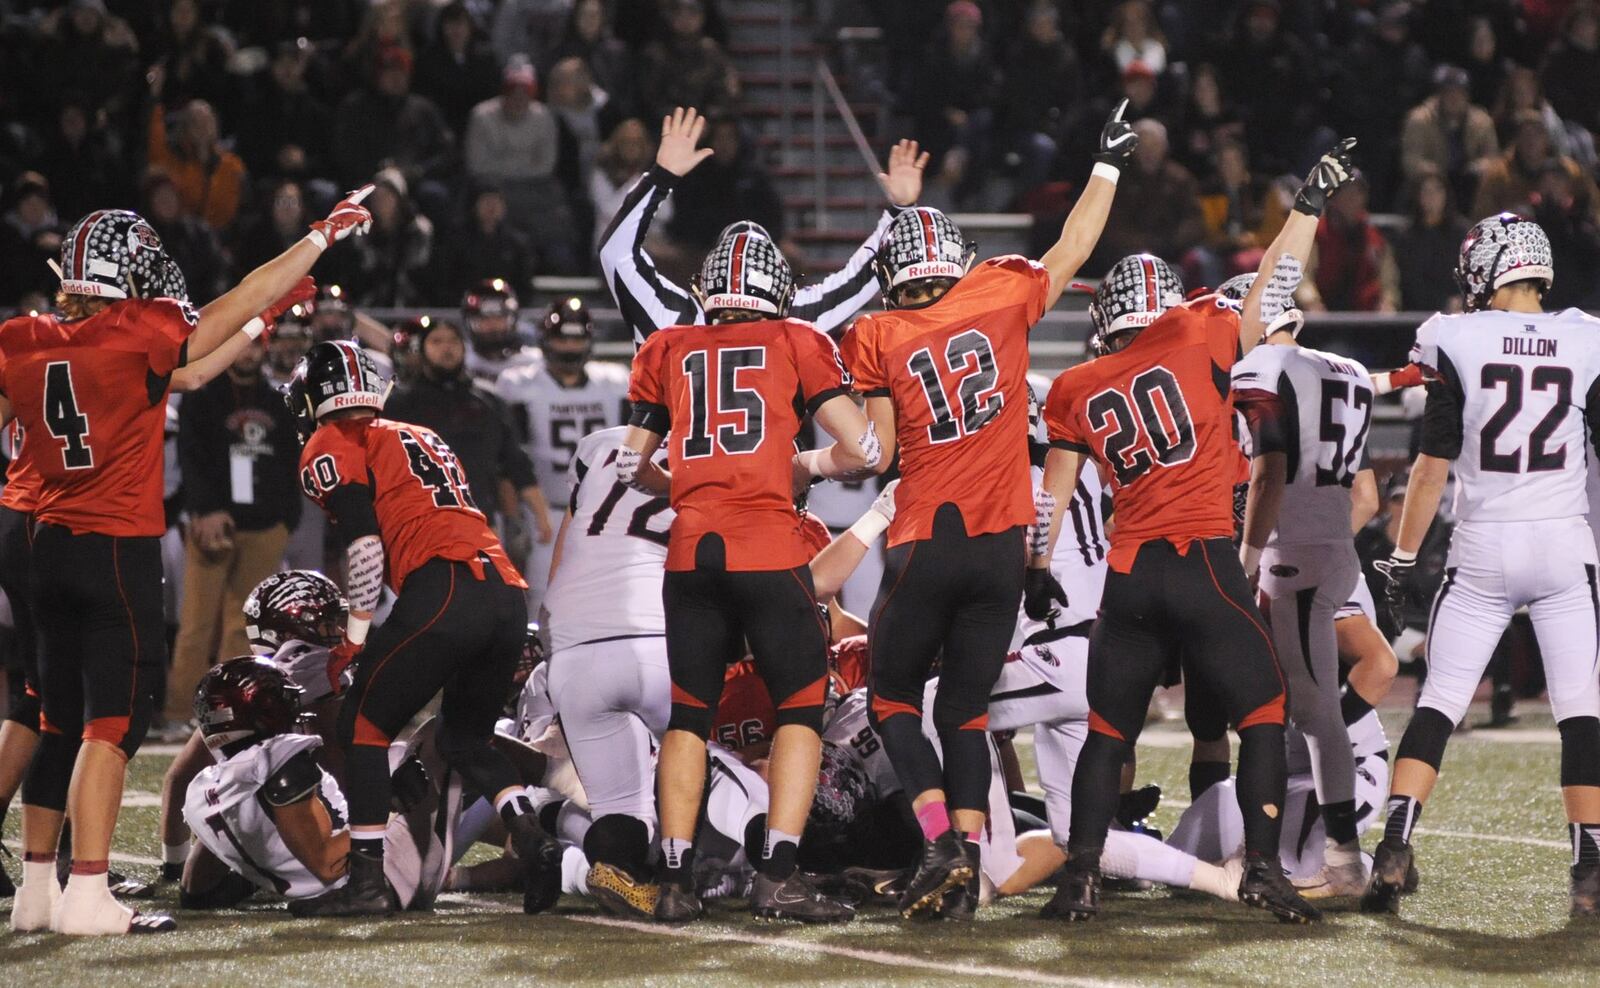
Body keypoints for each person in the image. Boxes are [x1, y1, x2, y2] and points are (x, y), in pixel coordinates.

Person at [1, 187, 374, 936]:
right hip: (112, 545)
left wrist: (264, 317)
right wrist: (318, 239)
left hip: (40, 541)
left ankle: (38, 892)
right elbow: (234, 300)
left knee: (54, 716)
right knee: (110, 726)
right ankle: (88, 893)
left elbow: (194, 372)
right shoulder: (142, 331)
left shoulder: (20, 338)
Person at [1031, 139, 1359, 925]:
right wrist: (1305, 207)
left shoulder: (1077, 385)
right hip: (1205, 560)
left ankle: (1079, 875)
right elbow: (1275, 282)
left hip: (1130, 574)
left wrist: (1039, 563)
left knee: (1107, 731)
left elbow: (1056, 492)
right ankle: (1266, 871)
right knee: (1263, 712)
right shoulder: (1203, 331)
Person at [836, 102, 1131, 919]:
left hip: (929, 534)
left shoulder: (880, 331)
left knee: (894, 695)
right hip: (1005, 545)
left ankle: (937, 841)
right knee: (965, 708)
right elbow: (1074, 247)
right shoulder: (1000, 293)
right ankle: (966, 865)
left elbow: (882, 451)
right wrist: (1105, 165)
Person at [621, 226, 879, 923]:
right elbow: (864, 449)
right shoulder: (796, 339)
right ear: (776, 291)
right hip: (768, 545)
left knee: (688, 716)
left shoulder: (667, 346)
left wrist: (690, 487)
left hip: (690, 552)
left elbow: (629, 465)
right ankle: (777, 877)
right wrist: (803, 466)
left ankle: (673, 880)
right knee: (799, 709)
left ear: (710, 292)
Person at [1367, 213, 1600, 917]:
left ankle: (1395, 845)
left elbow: (1431, 467)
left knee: (1438, 700)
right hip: (1563, 545)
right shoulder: (1587, 336)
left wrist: (1402, 557)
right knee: (1581, 710)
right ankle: (1590, 865)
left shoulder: (1454, 337)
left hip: (1484, 547)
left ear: (1487, 266)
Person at [286, 339, 561, 916]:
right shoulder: (420, 434)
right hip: (506, 591)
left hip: (446, 588)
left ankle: (364, 883)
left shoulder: (335, 438)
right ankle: (531, 836)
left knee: (364, 724)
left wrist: (353, 637)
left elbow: (363, 546)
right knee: (465, 738)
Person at [1232, 275, 1376, 898]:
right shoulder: (1348, 366)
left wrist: (1247, 556)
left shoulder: (1263, 365)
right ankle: (1312, 847)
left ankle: (1343, 858)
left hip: (1294, 553)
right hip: (1335, 544)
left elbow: (1268, 475)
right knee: (1304, 709)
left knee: (1314, 714)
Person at [598, 107, 925, 347]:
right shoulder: (793, 322)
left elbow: (615, 252)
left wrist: (660, 178)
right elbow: (861, 277)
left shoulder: (675, 319)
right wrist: (897, 212)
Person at [542, 426, 673, 917]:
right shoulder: (717, 443)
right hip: (654, 633)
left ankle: (617, 865)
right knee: (711, 764)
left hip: (572, 639)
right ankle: (703, 872)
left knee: (623, 808)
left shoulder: (601, 444)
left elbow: (570, 539)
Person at [163, 317, 308, 727]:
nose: (247, 353)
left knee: (243, 628)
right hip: (214, 523)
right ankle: (178, 713)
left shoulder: (277, 399)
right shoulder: (203, 396)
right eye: (241, 344)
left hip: (264, 524)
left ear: (264, 350)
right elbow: (192, 459)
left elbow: (287, 465)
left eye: (254, 346)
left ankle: (232, 712)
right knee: (196, 623)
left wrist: (285, 519)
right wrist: (204, 510)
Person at [382, 316, 555, 558]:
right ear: (421, 349)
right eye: (437, 341)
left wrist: (540, 514)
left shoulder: (488, 401)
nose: (447, 348)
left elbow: (516, 463)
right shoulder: (399, 405)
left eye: (454, 341)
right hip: (417, 522)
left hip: (480, 519)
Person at [496, 299, 630, 604]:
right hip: (547, 510)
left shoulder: (614, 381)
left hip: (604, 509)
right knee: (544, 596)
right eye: (562, 338)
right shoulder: (521, 383)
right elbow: (510, 455)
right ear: (546, 341)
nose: (569, 347)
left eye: (576, 338)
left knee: (606, 596)